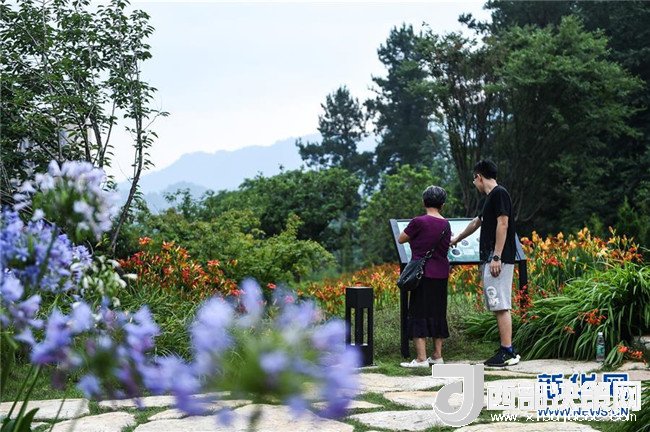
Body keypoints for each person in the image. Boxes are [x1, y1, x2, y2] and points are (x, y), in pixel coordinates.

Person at [450, 160, 521, 367]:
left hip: (498, 259)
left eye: (474, 179)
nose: (474, 184)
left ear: (479, 176)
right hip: (492, 258)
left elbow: (503, 223)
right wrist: (457, 238)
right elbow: (477, 222)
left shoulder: (499, 194)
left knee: (501, 304)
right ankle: (505, 348)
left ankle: (507, 351)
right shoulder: (491, 198)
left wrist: (496, 256)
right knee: (497, 303)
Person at [398, 186, 451, 368]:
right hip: (441, 273)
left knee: (418, 313)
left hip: (423, 274)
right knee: (438, 313)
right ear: (442, 204)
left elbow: (401, 238)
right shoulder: (446, 224)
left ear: (424, 202)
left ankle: (421, 358)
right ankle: (437, 356)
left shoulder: (418, 222)